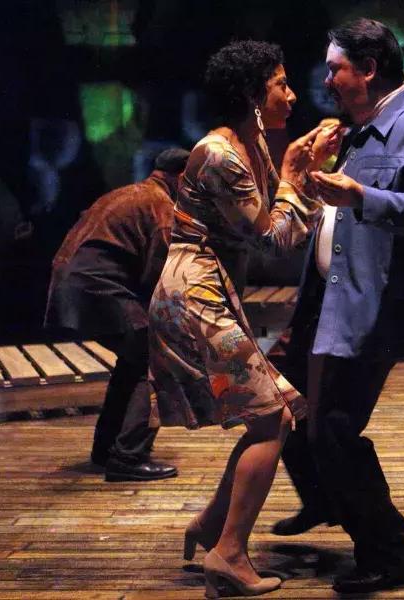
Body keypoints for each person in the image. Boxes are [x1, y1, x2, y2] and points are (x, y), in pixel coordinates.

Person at [272, 18, 404, 594]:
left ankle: (392, 553)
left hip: (369, 307)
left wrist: (360, 195)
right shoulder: (358, 129)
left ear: (370, 69)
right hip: (326, 300)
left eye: (336, 69)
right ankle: (328, 497)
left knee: (332, 428)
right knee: (284, 404)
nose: (326, 81)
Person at [148, 40, 336, 598]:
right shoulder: (221, 153)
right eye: (281, 84)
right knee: (272, 419)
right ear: (255, 96)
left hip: (208, 287)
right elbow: (275, 236)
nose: (292, 94)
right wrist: (298, 176)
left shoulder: (244, 141)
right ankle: (227, 555)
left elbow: (276, 219)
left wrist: (293, 170)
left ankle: (211, 528)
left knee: (274, 411)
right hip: (194, 292)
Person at [44, 147, 189, 482]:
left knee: (134, 359)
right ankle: (128, 457)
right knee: (156, 361)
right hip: (95, 287)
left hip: (73, 285)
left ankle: (107, 448)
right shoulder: (161, 206)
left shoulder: (129, 192)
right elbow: (161, 276)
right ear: (181, 177)